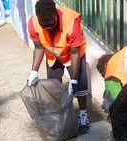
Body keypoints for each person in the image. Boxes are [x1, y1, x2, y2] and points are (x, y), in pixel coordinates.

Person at [27, 0, 90, 134]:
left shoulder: (71, 21)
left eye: (51, 23)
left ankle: (83, 114)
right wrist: (34, 72)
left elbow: (75, 52)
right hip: (52, 56)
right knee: (54, 86)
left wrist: (73, 79)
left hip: (73, 54)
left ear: (56, 14)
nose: (48, 28)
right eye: (44, 25)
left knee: (80, 84)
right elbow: (38, 48)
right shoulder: (33, 23)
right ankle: (60, 114)